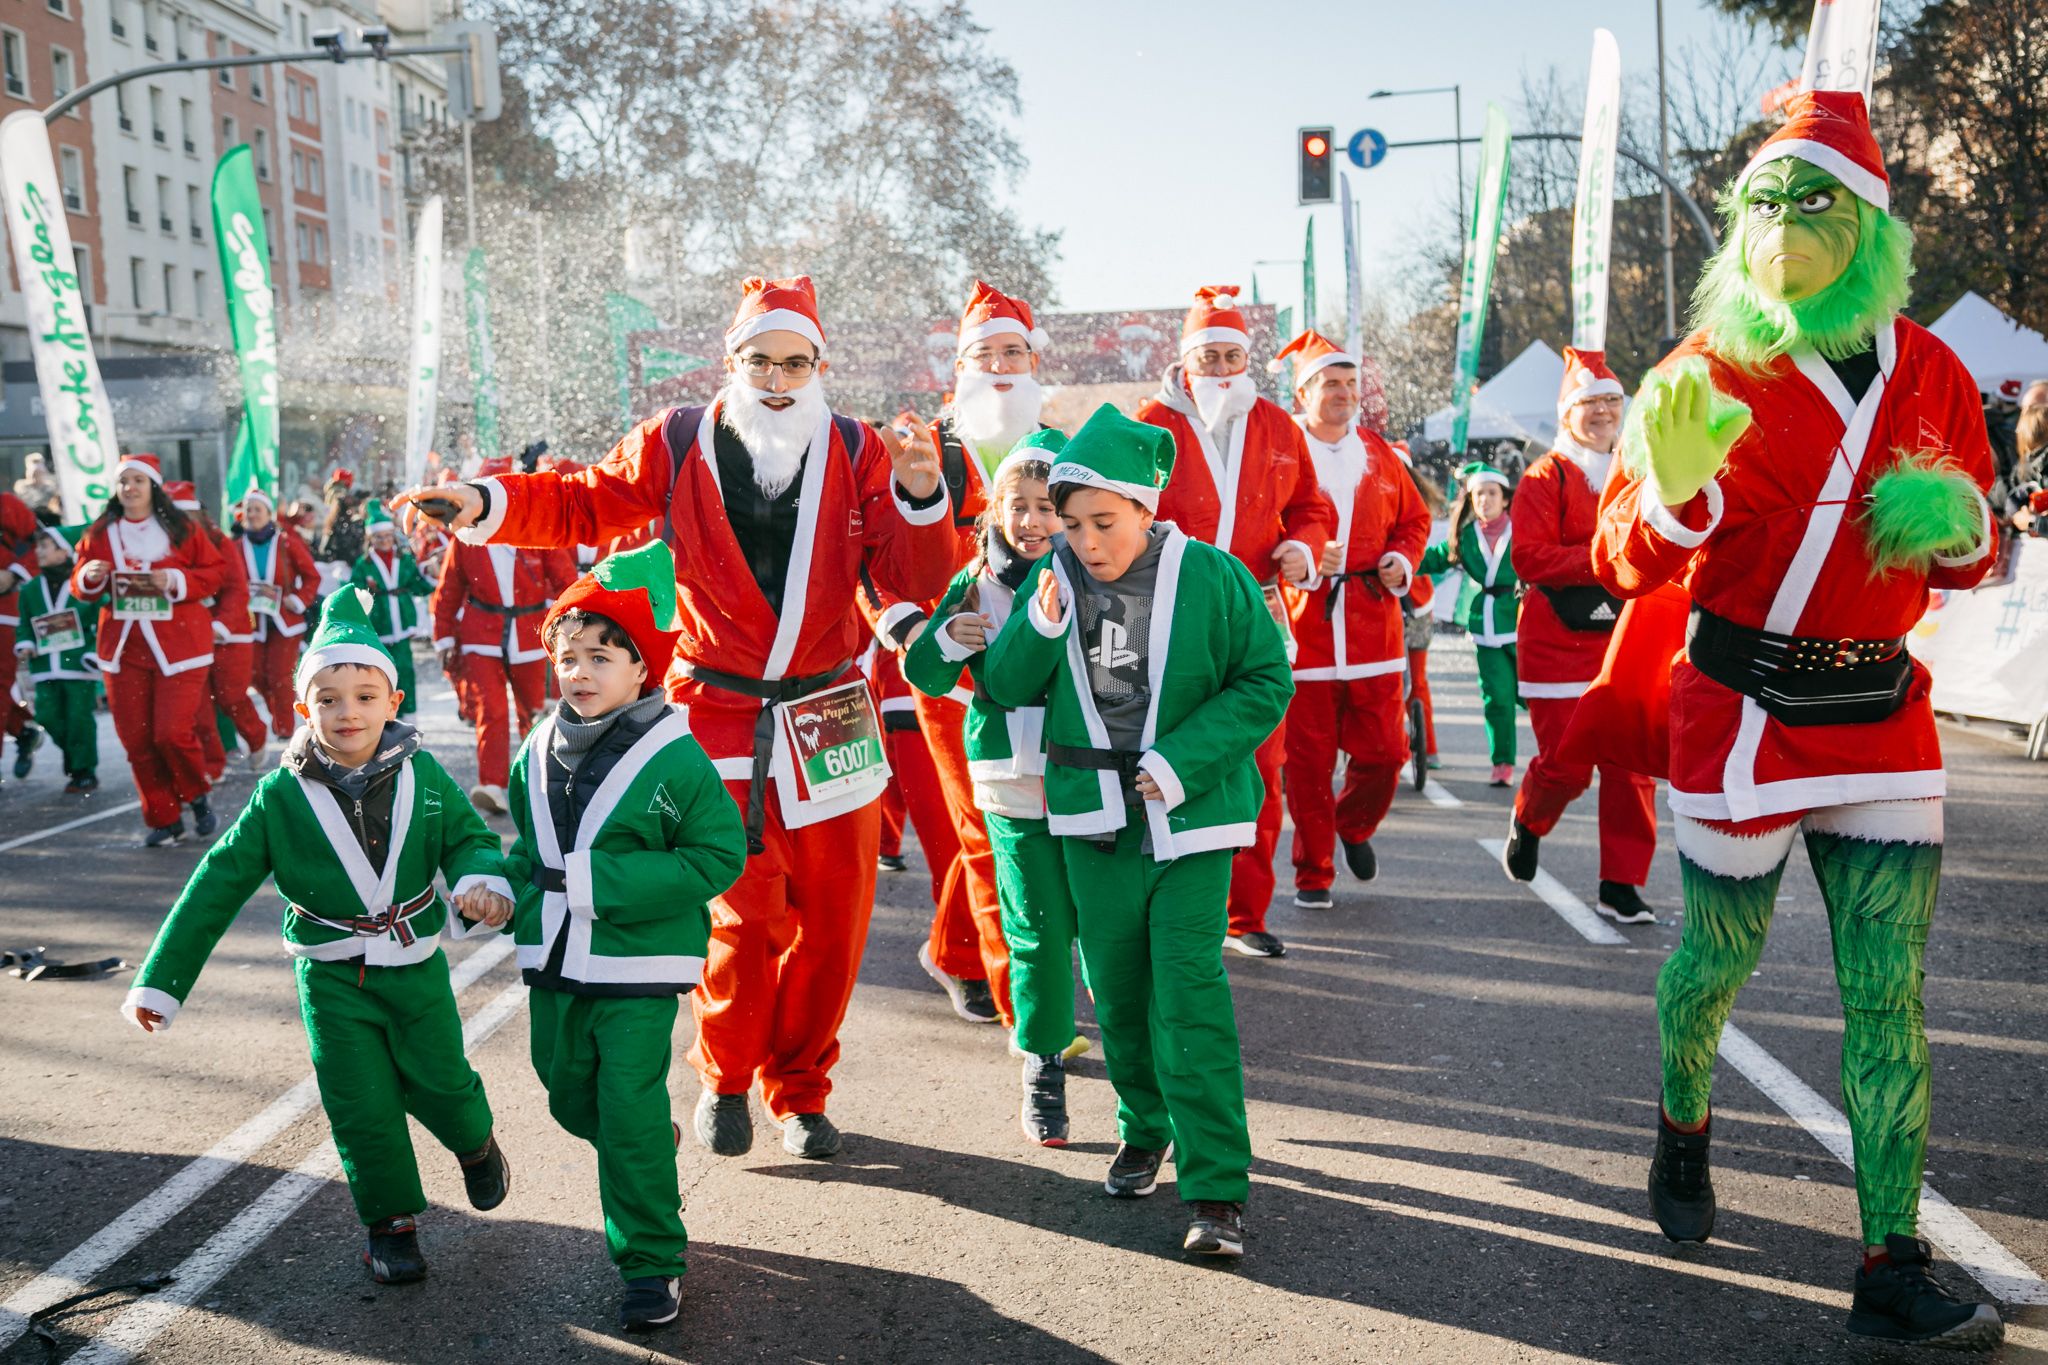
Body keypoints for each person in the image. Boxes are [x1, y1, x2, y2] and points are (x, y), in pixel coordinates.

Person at [1596, 92, 2002, 1349]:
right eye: (1764, 202)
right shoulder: (1700, 370)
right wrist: (1668, 501)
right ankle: (1680, 1116)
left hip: (1877, 707)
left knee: (1888, 998)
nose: (1785, 222)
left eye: (1812, 199)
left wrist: (1956, 531)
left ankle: (1886, 1262)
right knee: (1713, 962)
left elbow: (1971, 553)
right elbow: (1620, 564)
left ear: (1871, 225)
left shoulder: (1932, 367)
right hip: (1741, 708)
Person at [395, 274, 955, 1160]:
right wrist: (483, 502)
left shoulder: (860, 449)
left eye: (795, 362)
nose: (777, 378)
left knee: (838, 917)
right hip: (716, 711)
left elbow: (915, 579)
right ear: (730, 362)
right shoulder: (679, 439)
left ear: (820, 366)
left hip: (828, 712)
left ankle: (801, 1091)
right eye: (760, 360)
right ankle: (728, 1076)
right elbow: (584, 499)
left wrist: (924, 499)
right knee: (742, 911)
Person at [123, 586, 515, 1285]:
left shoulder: (424, 774)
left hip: (415, 964)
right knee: (358, 1099)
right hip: (330, 974)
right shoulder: (278, 795)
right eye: (328, 698)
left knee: (444, 1084)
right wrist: (162, 977)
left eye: (365, 695)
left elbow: (469, 837)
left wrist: (483, 880)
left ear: (393, 702)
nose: (347, 712)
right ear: (305, 708)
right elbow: (217, 883)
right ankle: (390, 1224)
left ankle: (475, 1141)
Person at [981, 404, 1293, 1258]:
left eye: (1102, 522)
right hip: (1089, 816)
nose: (1084, 540)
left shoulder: (1217, 576)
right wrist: (1041, 622)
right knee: (1116, 993)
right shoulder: (1052, 578)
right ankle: (1144, 1124)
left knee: (1187, 993)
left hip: (1190, 818)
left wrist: (1181, 760)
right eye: (1071, 522)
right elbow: (1003, 686)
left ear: (1146, 509)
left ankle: (1217, 1189)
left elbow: (1265, 681)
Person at [501, 540, 747, 1333]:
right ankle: (644, 1143)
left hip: (639, 962)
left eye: (601, 656)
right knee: (565, 1088)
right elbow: (525, 848)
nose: (579, 671)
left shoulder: (676, 758)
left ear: (643, 669)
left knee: (627, 1107)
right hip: (553, 960)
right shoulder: (533, 749)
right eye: (567, 656)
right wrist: (493, 891)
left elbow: (719, 853)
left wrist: (602, 883)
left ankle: (650, 1262)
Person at [865, 281, 1051, 1028]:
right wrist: (912, 629)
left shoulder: (1058, 444)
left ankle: (957, 951)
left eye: (1014, 351)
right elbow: (874, 561)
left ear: (1035, 361)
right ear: (959, 367)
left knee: (1010, 827)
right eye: (986, 353)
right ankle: (1026, 1015)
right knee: (979, 829)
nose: (1001, 366)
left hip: (1045, 674)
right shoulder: (924, 445)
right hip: (950, 678)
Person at [1137, 285, 1338, 957]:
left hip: (1259, 610)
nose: (1223, 370)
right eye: (1210, 357)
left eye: (1233, 357)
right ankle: (1173, 904)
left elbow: (1311, 505)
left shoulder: (1279, 426)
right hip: (1173, 613)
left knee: (1261, 762)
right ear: (1186, 362)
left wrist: (1303, 547)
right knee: (1176, 755)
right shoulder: (1149, 425)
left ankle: (1245, 915)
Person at [904, 430, 1091, 1146]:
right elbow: (922, 671)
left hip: (1092, 775)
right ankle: (1042, 1063)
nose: (1035, 521)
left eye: (1049, 507)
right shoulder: (973, 579)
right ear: (995, 509)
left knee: (1101, 929)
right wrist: (951, 637)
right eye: (1020, 505)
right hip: (1010, 778)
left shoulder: (1101, 570)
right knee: (1036, 929)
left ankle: (1147, 1071)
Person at [1270, 331, 1431, 907]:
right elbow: (1263, 528)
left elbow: (1414, 523)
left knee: (1388, 754)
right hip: (1306, 629)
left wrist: (1398, 561)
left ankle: (1354, 826)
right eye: (1330, 384)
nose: (1343, 393)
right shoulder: (1283, 453)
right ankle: (1313, 872)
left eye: (1349, 383)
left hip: (1374, 631)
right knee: (1309, 768)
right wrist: (1303, 555)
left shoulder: (1380, 453)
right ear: (1304, 391)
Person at [1501, 350, 1660, 922]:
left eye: (1610, 401)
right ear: (1568, 414)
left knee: (1631, 768)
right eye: (1589, 403)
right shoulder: (1546, 477)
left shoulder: (1640, 469)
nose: (1601, 412)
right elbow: (1529, 556)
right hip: (1555, 641)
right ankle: (1529, 817)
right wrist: (1606, 559)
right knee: (1566, 765)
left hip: (1626, 639)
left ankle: (1621, 884)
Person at [72, 455, 227, 845]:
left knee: (171, 733)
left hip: (180, 647)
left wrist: (173, 578)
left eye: (138, 480)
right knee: (137, 740)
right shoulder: (101, 531)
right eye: (124, 481)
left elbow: (214, 574)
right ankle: (163, 817)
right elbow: (80, 581)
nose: (130, 488)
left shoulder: (180, 528)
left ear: (152, 486)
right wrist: (88, 577)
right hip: (123, 648)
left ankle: (196, 794)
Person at [427, 461, 578, 813]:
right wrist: (444, 638)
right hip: (481, 634)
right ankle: (492, 784)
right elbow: (448, 591)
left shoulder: (536, 533)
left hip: (530, 633)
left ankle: (536, 783)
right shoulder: (465, 538)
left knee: (535, 711)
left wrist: (571, 626)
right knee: (491, 711)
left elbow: (565, 582)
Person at [1419, 463, 1521, 785]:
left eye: (1492, 494)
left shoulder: (1524, 529)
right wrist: (1393, 558)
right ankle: (1502, 763)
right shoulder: (1464, 537)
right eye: (1479, 494)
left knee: (1534, 695)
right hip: (1485, 627)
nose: (1485, 500)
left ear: (1505, 499)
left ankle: (1561, 757)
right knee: (1498, 698)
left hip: (1523, 622)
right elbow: (1431, 557)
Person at [12, 523, 98, 792]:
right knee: (47, 716)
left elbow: (101, 620)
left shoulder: (82, 585)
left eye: (45, 546)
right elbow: (25, 623)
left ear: (64, 551)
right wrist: (25, 644)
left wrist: (94, 651)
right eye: (38, 546)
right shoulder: (30, 589)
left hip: (77, 664)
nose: (38, 551)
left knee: (78, 718)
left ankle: (84, 770)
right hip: (44, 665)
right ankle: (75, 757)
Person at [234, 487, 321, 741]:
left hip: (285, 620)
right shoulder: (236, 546)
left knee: (280, 676)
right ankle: (278, 712)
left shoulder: (286, 543)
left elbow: (312, 576)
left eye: (257, 509)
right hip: (252, 621)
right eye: (248, 510)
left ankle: (284, 729)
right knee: (256, 675)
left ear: (270, 514)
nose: (252, 514)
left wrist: (299, 599)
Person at [350, 502, 433, 717]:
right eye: (379, 537)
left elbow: (418, 585)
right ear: (371, 539)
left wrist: (433, 573)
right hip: (378, 624)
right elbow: (355, 592)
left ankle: (409, 714)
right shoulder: (363, 564)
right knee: (379, 673)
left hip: (402, 621)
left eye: (387, 536)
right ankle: (383, 715)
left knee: (405, 670)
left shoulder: (404, 560)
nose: (384, 541)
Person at [0, 488, 46, 780]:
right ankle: (21, 729)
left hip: (4, 608)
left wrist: (14, 572)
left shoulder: (6, 505)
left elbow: (42, 541)